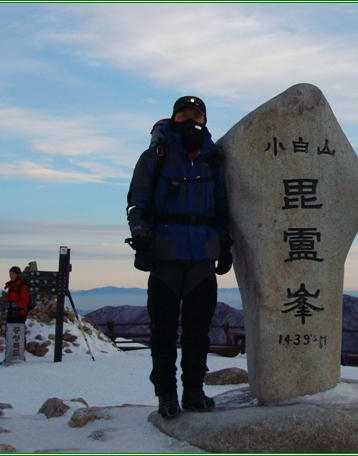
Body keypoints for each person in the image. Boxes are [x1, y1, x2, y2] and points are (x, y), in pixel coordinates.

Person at [126, 96, 232, 419]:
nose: (190, 121)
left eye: (196, 116)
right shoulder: (155, 156)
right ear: (173, 117)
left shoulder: (213, 159)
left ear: (204, 120)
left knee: (198, 331)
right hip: (165, 257)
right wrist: (141, 235)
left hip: (202, 259)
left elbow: (221, 207)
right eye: (183, 114)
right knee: (163, 332)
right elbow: (136, 201)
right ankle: (166, 395)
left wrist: (225, 244)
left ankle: (194, 391)